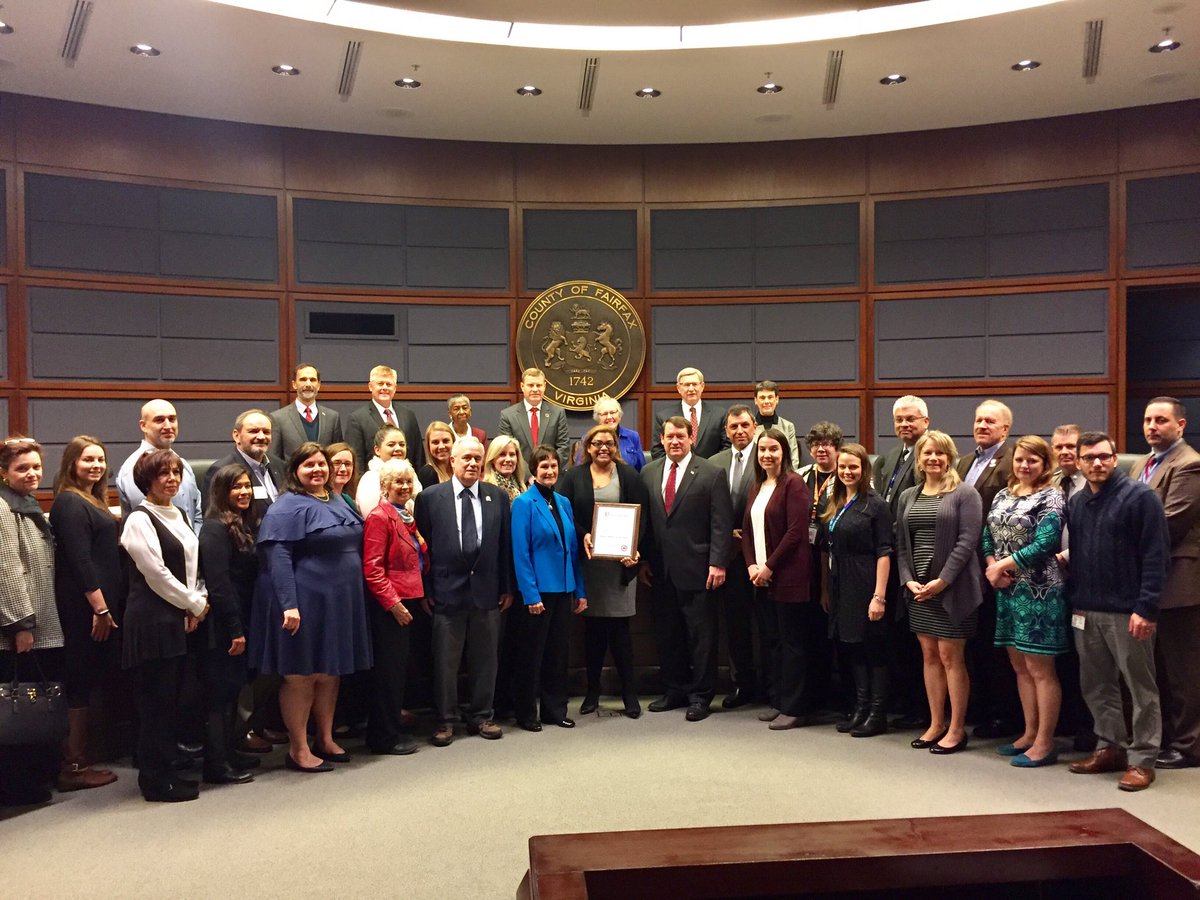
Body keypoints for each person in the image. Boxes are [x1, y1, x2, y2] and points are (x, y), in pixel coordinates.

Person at [249, 443, 372, 773]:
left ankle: (326, 739)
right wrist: (289, 605)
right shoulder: (287, 506)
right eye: (309, 465)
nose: (317, 470)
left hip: (338, 602)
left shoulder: (337, 499)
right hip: (305, 600)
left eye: (322, 464)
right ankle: (299, 749)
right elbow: (278, 558)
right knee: (301, 675)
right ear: (295, 471)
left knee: (330, 672)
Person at [1066, 430, 1170, 792]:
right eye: (1089, 457)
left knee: (1141, 688)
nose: (1097, 463)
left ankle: (1142, 760)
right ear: (1079, 462)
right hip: (1086, 610)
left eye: (1104, 456)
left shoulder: (1141, 498)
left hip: (1129, 613)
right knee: (1097, 685)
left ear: (1114, 459)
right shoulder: (1077, 502)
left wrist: (1146, 608)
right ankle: (1109, 747)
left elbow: (1156, 557)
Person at [120, 448, 210, 802]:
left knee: (171, 701)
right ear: (147, 480)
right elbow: (156, 574)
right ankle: (155, 781)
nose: (172, 479)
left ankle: (168, 770)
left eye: (176, 472)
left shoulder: (179, 513)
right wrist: (195, 603)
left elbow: (190, 565)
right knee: (154, 704)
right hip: (150, 622)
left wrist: (195, 601)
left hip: (175, 617)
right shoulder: (139, 519)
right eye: (163, 474)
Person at [414, 436, 514, 746]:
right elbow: (422, 550)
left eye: (477, 458)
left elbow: (504, 546)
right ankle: (445, 720)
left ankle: (482, 715)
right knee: (445, 662)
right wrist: (426, 589)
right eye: (466, 458)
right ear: (452, 461)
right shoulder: (430, 498)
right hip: (446, 592)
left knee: (486, 659)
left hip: (487, 592)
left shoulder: (497, 497)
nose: (472, 463)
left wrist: (507, 586)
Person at [895, 430, 983, 755]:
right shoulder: (908, 495)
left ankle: (957, 729)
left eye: (940, 453)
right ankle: (935, 723)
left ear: (950, 457)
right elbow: (901, 544)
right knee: (929, 655)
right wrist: (908, 580)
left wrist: (943, 581)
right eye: (927, 453)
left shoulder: (965, 494)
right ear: (919, 459)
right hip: (919, 590)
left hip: (954, 589)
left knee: (950, 656)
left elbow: (967, 542)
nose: (933, 458)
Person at [981, 435, 1067, 767]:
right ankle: (1029, 733)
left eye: (1032, 460)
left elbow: (1045, 542)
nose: (1024, 465)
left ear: (1045, 464)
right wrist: (993, 566)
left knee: (1040, 669)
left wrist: (1001, 566)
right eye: (1020, 459)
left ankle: (1045, 742)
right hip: (1006, 590)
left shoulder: (1052, 495)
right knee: (1020, 667)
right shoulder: (1003, 493)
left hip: (1040, 590)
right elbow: (987, 535)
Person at [640, 416, 732, 722]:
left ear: (691, 438)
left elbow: (721, 523)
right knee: (668, 634)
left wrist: (718, 562)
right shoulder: (649, 472)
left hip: (700, 569)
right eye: (670, 436)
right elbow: (646, 522)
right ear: (662, 439)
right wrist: (644, 560)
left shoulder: (711, 472)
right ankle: (674, 690)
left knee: (701, 637)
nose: (675, 441)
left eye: (681, 436)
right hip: (660, 570)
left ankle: (701, 696)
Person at [49, 435, 122, 793]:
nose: (95, 465)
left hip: (98, 607)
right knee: (79, 680)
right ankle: (73, 766)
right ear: (71, 464)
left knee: (90, 678)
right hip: (85, 610)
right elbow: (80, 561)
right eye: (87, 460)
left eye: (100, 460)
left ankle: (81, 758)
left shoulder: (92, 499)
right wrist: (100, 607)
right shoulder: (68, 502)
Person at [1130, 398, 1200, 771]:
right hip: (1147, 579)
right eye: (1147, 420)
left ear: (1180, 425)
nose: (1152, 426)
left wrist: (1116, 539)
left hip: (1180, 581)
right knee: (1156, 667)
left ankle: (1190, 746)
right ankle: (1165, 738)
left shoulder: (1189, 463)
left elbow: (1169, 523)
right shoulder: (1142, 463)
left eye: (1161, 420)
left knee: (1183, 670)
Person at [559, 424, 647, 718]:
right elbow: (565, 515)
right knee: (593, 632)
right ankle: (592, 692)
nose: (603, 448)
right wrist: (583, 533)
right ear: (588, 447)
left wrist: (636, 549)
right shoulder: (574, 477)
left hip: (621, 567)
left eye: (609, 443)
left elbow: (643, 515)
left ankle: (629, 694)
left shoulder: (629, 476)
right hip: (589, 566)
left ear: (615, 447)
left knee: (621, 633)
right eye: (597, 443)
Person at [0, 437, 65, 806]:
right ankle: (16, 786)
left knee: (32, 701)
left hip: (38, 622)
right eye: (22, 468)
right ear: (4, 473)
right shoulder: (2, 507)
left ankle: (32, 779)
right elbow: (7, 568)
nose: (31, 473)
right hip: (18, 628)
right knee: (16, 706)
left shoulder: (27, 504)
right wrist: (20, 625)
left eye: (36, 467)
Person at [817, 443, 893, 738]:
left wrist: (879, 596)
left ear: (864, 470)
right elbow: (825, 548)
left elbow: (884, 552)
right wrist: (825, 589)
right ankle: (860, 708)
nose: (847, 472)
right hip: (840, 582)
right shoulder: (834, 500)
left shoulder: (875, 504)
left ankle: (877, 713)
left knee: (872, 649)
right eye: (843, 467)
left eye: (853, 467)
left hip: (866, 581)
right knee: (852, 648)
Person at [511, 446, 588, 731]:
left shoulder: (563, 502)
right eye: (544, 466)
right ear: (534, 470)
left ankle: (555, 710)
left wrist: (580, 590)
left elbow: (572, 550)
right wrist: (530, 594)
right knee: (531, 655)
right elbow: (521, 553)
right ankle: (526, 713)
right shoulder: (523, 503)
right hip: (538, 593)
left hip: (564, 588)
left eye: (554, 466)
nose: (550, 471)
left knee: (558, 654)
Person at [742, 428, 813, 730]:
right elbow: (746, 531)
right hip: (761, 579)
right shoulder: (757, 486)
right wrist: (751, 566)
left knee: (793, 644)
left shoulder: (794, 484)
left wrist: (769, 566)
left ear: (784, 452)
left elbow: (795, 532)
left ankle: (796, 707)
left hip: (789, 576)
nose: (767, 455)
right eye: (762, 449)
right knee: (774, 643)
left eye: (773, 449)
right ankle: (780, 701)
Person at [956, 399, 1019, 740]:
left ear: (1005, 429)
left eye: (990, 421)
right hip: (964, 566)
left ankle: (1002, 715)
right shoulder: (965, 461)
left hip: (996, 567)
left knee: (997, 645)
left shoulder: (1012, 460)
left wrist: (994, 561)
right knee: (975, 641)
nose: (982, 426)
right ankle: (979, 707)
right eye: (978, 420)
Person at [197, 464, 261, 785]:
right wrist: (235, 628)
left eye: (247, 486)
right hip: (223, 625)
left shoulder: (242, 524)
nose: (244, 492)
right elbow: (219, 584)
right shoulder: (214, 528)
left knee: (234, 689)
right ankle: (216, 764)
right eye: (237, 487)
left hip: (243, 617)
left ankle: (230, 750)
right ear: (222, 492)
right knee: (219, 694)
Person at [871, 395, 930, 730]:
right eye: (900, 420)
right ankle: (904, 699)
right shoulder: (891, 456)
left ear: (925, 421)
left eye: (911, 419)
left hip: (917, 556)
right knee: (895, 635)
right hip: (889, 556)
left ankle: (922, 707)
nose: (905, 424)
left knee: (916, 636)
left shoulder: (930, 453)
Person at [362, 459, 428, 756]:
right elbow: (373, 569)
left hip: (410, 599)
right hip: (390, 607)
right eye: (397, 482)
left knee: (399, 671)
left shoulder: (405, 515)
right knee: (388, 674)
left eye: (407, 481)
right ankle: (382, 737)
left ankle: (391, 729)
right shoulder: (379, 517)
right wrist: (394, 604)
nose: (404, 486)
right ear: (384, 486)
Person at [709, 405, 764, 709]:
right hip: (728, 556)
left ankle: (773, 684)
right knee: (736, 624)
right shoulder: (714, 462)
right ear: (726, 431)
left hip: (764, 555)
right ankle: (742, 683)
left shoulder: (767, 456)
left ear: (754, 426)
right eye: (733, 427)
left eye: (744, 425)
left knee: (768, 624)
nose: (740, 431)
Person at [797, 421, 842, 713]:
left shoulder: (847, 474)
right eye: (815, 444)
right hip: (805, 561)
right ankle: (814, 692)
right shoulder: (801, 476)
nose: (820, 449)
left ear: (836, 447)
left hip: (836, 561)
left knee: (834, 630)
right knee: (809, 631)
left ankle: (839, 695)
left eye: (826, 444)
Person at [115, 399, 203, 532]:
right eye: (159, 420)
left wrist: (193, 540)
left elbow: (197, 511)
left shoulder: (183, 464)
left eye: (172, 419)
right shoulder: (135, 468)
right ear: (143, 426)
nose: (168, 426)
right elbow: (150, 520)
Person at [201, 409, 285, 523]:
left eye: (266, 432)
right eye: (253, 431)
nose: (261, 436)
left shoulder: (280, 466)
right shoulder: (221, 470)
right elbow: (214, 519)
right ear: (236, 436)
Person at [344, 364, 425, 477]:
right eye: (380, 384)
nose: (385, 388)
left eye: (389, 384)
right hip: (374, 482)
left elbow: (418, 455)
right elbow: (357, 459)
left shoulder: (408, 415)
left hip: (408, 481)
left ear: (395, 388)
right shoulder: (357, 418)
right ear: (370, 387)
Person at [498, 367, 571, 467]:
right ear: (522, 386)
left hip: (550, 473)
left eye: (539, 385)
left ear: (544, 386)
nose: (535, 389)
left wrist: (547, 468)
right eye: (531, 385)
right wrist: (529, 473)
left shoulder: (558, 413)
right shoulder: (508, 415)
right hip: (520, 474)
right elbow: (506, 450)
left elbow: (563, 448)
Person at [269, 363, 343, 462]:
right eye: (303, 379)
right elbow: (274, 459)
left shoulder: (332, 417)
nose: (308, 384)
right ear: (294, 384)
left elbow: (337, 455)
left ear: (318, 385)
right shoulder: (278, 418)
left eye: (312, 380)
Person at [651, 366, 728, 459]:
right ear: (678, 388)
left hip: (711, 467)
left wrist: (710, 465)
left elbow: (727, 447)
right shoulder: (664, 417)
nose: (691, 389)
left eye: (694, 384)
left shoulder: (719, 415)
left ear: (702, 386)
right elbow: (657, 451)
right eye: (687, 385)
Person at [356, 424, 422, 515]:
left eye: (402, 445)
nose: (398, 448)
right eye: (391, 445)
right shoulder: (371, 479)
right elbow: (373, 516)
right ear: (377, 450)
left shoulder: (411, 474)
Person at [575, 395, 645, 471]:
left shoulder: (633, 436)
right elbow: (580, 469)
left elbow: (641, 469)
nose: (609, 417)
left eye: (612, 412)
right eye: (604, 414)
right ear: (598, 418)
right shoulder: (588, 438)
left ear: (619, 415)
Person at [752, 380, 800, 469]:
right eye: (762, 398)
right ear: (755, 400)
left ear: (777, 399)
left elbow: (793, 460)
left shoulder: (788, 426)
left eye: (770, 397)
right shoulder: (749, 427)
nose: (766, 401)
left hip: (783, 475)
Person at [483, 435, 530, 501]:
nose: (508, 459)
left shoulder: (522, 488)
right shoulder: (486, 490)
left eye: (512, 454)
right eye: (502, 454)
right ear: (492, 459)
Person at [326, 442, 362, 515]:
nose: (343, 469)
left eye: (348, 464)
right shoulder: (320, 502)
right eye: (336, 463)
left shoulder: (349, 500)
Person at [417, 421, 455, 489]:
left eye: (445, 441)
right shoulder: (427, 473)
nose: (441, 446)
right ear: (428, 446)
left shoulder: (459, 469)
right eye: (435, 442)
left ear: (453, 442)